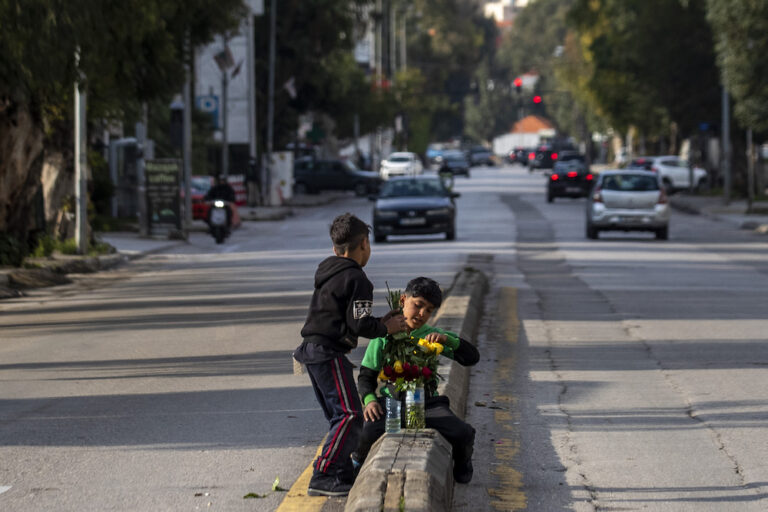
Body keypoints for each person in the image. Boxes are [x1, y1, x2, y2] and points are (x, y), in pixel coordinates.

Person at [294, 213, 406, 497]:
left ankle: (342, 472)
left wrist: (382, 320)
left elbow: (348, 317)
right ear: (364, 244)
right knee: (349, 414)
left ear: (335, 248)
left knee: (338, 415)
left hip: (312, 349)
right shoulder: (358, 279)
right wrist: (385, 327)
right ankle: (324, 474)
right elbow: (359, 323)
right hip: (328, 352)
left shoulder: (328, 270)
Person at [352, 276, 479, 483]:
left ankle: (463, 464)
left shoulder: (432, 335)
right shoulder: (384, 334)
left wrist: (448, 340)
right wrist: (370, 400)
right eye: (418, 305)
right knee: (366, 432)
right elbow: (367, 376)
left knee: (463, 433)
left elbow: (471, 358)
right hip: (393, 402)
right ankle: (355, 465)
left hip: (425, 404)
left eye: (429, 310)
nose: (421, 314)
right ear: (403, 300)